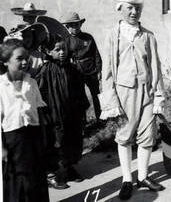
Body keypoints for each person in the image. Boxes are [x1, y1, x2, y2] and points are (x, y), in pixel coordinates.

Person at [100, 0, 165, 200]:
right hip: (124, 93)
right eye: (130, 8)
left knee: (147, 135)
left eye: (137, 8)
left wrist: (158, 97)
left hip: (146, 92)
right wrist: (111, 100)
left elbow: (155, 66)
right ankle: (127, 179)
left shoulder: (148, 36)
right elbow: (108, 71)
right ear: (120, 9)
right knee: (125, 135)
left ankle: (143, 176)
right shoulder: (113, 35)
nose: (134, 12)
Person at [35, 36, 89, 189]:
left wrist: (81, 108)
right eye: (57, 50)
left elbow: (80, 90)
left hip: (72, 112)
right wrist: (45, 114)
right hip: (54, 113)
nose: (61, 52)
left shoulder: (73, 69)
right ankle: (51, 173)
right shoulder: (45, 70)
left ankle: (69, 167)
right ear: (48, 51)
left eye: (63, 49)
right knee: (56, 141)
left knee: (72, 138)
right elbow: (41, 94)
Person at [0, 39, 49, 202]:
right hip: (12, 139)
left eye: (26, 57)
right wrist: (2, 148)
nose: (25, 61)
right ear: (6, 61)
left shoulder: (31, 82)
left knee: (36, 176)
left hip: (33, 136)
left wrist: (43, 138)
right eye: (19, 58)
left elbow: (39, 111)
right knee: (17, 179)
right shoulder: (1, 86)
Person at [61, 12, 102, 122]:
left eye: (77, 24)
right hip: (77, 73)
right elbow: (65, 58)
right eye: (72, 25)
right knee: (79, 97)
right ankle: (82, 121)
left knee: (96, 95)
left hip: (91, 70)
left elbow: (96, 54)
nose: (75, 27)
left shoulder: (88, 38)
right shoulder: (67, 40)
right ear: (68, 27)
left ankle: (100, 117)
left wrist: (99, 70)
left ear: (80, 25)